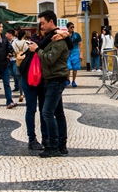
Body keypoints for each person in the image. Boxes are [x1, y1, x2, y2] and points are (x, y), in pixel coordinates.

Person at [32, 10, 70, 157]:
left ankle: (54, 146)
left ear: (51, 22)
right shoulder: (52, 38)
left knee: (47, 112)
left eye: (42, 23)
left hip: (55, 79)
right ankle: (62, 145)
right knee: (58, 113)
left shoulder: (58, 39)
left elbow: (49, 59)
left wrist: (37, 50)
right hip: (52, 79)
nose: (41, 26)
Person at [12, 30, 29, 102]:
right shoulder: (26, 42)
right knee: (26, 77)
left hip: (18, 61)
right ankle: (27, 93)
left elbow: (13, 52)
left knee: (19, 78)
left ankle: (21, 94)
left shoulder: (14, 43)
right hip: (26, 61)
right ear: (24, 35)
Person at [65, 22, 82, 88]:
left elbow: (80, 44)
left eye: (73, 27)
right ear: (68, 28)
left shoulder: (77, 35)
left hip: (75, 52)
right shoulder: (66, 35)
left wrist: (81, 54)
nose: (72, 28)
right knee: (68, 67)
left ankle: (74, 81)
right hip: (68, 52)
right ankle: (68, 79)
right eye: (71, 27)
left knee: (75, 68)